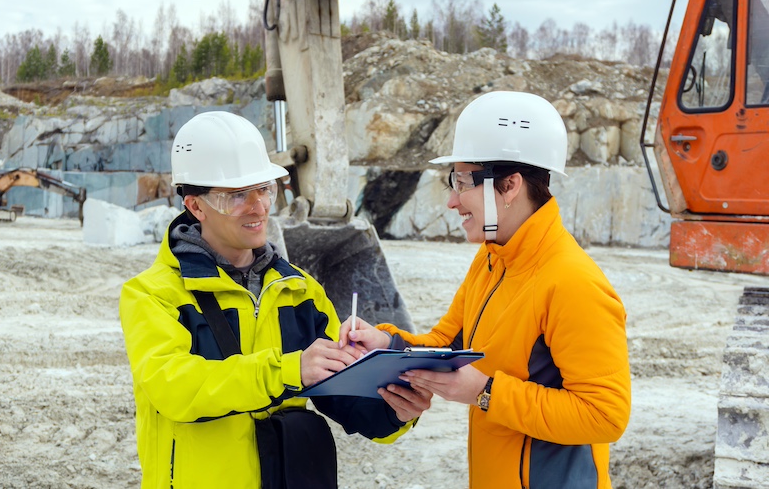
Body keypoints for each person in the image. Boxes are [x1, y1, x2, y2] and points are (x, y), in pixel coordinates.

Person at [119, 111, 431, 489]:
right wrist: (288, 370)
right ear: (195, 205)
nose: (259, 206)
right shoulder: (153, 294)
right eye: (236, 195)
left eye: (264, 189)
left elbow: (344, 394)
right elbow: (176, 389)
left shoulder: (301, 292)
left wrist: (396, 406)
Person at [341, 91, 631, 489]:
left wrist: (485, 392)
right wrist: (384, 344)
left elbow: (605, 415)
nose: (452, 201)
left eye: (462, 182)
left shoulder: (573, 282)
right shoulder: (492, 259)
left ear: (510, 185)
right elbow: (445, 343)